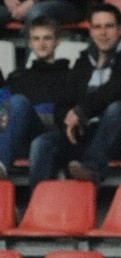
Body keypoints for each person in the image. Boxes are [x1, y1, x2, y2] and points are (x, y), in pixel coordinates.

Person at [28, 3, 121, 188]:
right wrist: (69, 118)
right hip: (88, 133)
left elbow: (117, 89)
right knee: (42, 143)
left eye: (109, 26)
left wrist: (81, 111)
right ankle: (38, 205)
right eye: (97, 27)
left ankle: (92, 168)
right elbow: (64, 101)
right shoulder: (84, 60)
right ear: (90, 31)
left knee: (118, 108)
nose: (103, 32)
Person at [0, 16, 72, 180]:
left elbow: (67, 115)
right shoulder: (17, 76)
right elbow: (4, 114)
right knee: (15, 103)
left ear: (57, 42)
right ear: (30, 43)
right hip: (20, 137)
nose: (41, 43)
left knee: (20, 104)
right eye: (36, 38)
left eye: (47, 38)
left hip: (55, 137)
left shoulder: (70, 75)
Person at [0, 0, 86, 27]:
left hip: (64, 4)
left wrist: (32, 2)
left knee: (36, 13)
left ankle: (34, 68)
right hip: (17, 5)